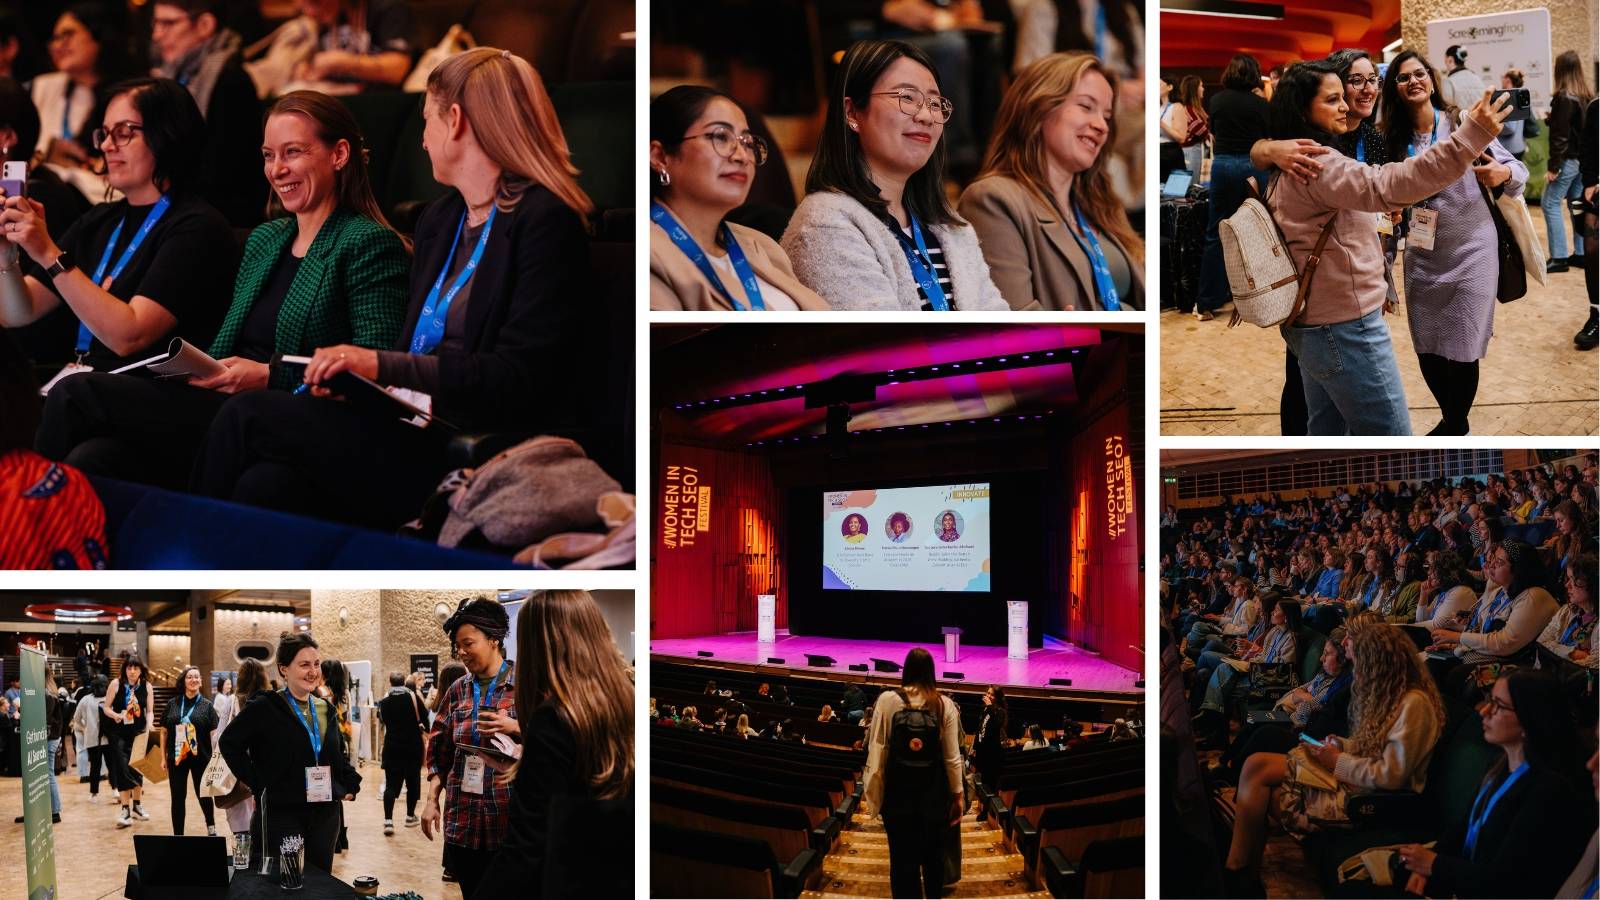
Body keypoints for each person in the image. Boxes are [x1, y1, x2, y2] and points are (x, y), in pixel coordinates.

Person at [191, 48, 594, 532]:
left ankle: (180, 552)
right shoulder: (441, 218)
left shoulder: (545, 221)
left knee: (248, 415)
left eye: (426, 121)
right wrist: (361, 385)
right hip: (401, 422)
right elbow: (412, 346)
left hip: (467, 441)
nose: (422, 141)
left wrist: (377, 364)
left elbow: (519, 377)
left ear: (457, 121)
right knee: (267, 483)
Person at [35, 88, 408, 490]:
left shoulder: (367, 243)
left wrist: (269, 375)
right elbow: (226, 342)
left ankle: (19, 521)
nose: (277, 169)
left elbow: (374, 365)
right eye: (269, 155)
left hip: (286, 408)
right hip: (221, 397)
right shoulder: (266, 239)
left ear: (339, 155)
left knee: (76, 393)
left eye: (293, 152)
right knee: (97, 456)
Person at [1263, 60, 1514, 435]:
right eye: (1334, 99)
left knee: (1327, 430)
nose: (1348, 103)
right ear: (1303, 109)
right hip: (1345, 323)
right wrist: (1470, 136)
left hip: (1314, 319)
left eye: (1370, 81)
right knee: (1391, 434)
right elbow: (1389, 184)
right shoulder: (1317, 161)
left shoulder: (1295, 160)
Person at [0, 76, 238, 388]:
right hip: (87, 386)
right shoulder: (100, 219)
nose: (107, 145)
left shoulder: (196, 226)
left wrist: (47, 252)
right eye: (106, 133)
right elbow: (20, 311)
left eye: (124, 132)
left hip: (152, 396)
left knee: (70, 393)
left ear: (167, 133)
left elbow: (128, 336)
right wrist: (6, 252)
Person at [1221, 620, 1445, 894]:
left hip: (1372, 798)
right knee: (1257, 765)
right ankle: (1243, 875)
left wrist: (1337, 760)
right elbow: (1372, 748)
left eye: (1358, 663)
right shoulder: (1393, 695)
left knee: (1261, 775)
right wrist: (1342, 744)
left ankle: (1239, 874)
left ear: (1376, 662)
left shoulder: (1414, 704)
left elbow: (1391, 775)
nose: (1356, 672)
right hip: (1354, 779)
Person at [781, 40, 1006, 311]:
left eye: (935, 103)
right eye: (906, 98)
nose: (926, 116)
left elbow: (997, 321)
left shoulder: (951, 226)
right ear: (851, 112)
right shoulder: (824, 223)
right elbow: (878, 342)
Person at [1379, 50, 1526, 436]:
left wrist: (1502, 173)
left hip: (1473, 247)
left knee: (1463, 344)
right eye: (1403, 77)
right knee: (1426, 345)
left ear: (1432, 78)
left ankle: (1453, 426)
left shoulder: (1462, 122)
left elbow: (1518, 171)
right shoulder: (1390, 142)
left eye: (1419, 73)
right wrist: (1384, 268)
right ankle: (1454, 421)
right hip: (1423, 254)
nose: (1413, 81)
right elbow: (1382, 211)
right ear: (1393, 89)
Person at [472, 590, 635, 897]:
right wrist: (527, 764)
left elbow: (526, 848)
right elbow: (585, 787)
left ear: (538, 647)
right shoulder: (625, 700)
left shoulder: (555, 717)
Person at [959, 52, 1143, 311]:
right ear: (1039, 107)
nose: (1101, 125)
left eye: (1107, 115)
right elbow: (1016, 323)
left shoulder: (1103, 203)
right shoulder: (992, 200)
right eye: (1086, 106)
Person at [1394, 671, 1593, 898]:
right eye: (1489, 700)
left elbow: (1504, 880)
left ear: (1529, 718)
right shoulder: (1500, 764)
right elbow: (1461, 830)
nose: (1484, 712)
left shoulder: (1548, 790)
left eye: (1498, 705)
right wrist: (1425, 868)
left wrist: (1434, 864)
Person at [649, 86, 826, 310]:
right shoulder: (649, 254)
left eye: (747, 143)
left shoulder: (762, 245)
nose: (742, 156)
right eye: (721, 137)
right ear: (660, 156)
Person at [217, 632, 360, 874]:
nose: (313, 671)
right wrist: (258, 781)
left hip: (324, 815)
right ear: (284, 669)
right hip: (282, 814)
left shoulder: (325, 708)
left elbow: (335, 755)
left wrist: (348, 783)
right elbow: (229, 743)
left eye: (316, 664)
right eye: (304, 665)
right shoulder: (265, 706)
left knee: (319, 883)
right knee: (284, 885)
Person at [420, 597, 518, 899]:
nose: (461, 652)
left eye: (468, 644)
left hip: (510, 822)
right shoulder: (458, 689)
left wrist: (516, 728)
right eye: (457, 646)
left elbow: (554, 742)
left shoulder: (527, 685)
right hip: (464, 820)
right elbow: (439, 752)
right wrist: (432, 799)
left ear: (494, 639)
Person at [150, 0, 267, 227]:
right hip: (181, 204)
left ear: (205, 25)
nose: (156, 35)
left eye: (168, 23)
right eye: (155, 23)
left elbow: (225, 175)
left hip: (221, 218)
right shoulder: (171, 75)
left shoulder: (230, 80)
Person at [861, 647, 963, 898]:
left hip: (897, 799)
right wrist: (958, 795)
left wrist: (873, 793)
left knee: (901, 864)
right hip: (934, 800)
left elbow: (877, 748)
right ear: (932, 672)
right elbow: (952, 758)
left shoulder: (886, 700)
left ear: (905, 670)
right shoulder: (945, 704)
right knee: (933, 862)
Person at [1185, 54, 1270, 322]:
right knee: (1257, 231)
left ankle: (1206, 302)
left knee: (1216, 233)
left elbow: (1215, 132)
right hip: (1252, 165)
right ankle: (1258, 297)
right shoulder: (1260, 104)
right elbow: (1267, 135)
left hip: (1222, 165)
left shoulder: (1217, 100)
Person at [30, 4, 139, 202]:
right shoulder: (44, 87)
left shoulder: (131, 93)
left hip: (107, 201)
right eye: (54, 39)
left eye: (68, 34)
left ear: (98, 36)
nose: (57, 45)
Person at [1543, 50, 1593, 274]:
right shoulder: (1585, 95)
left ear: (1559, 70)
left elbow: (1560, 138)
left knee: (1550, 203)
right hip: (1581, 161)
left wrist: (1553, 167)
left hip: (1567, 161)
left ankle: (1560, 257)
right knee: (1576, 204)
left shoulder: (1564, 97)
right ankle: (1581, 254)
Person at [294, 0, 413, 92]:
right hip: (340, 96)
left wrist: (344, 62)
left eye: (315, 1)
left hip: (383, 101)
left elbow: (397, 70)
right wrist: (310, 69)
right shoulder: (327, 15)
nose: (310, 12)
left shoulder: (389, 6)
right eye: (303, 5)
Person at [215, 658, 266, 859]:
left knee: (241, 828)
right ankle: (261, 866)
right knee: (263, 828)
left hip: (237, 774)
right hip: (264, 772)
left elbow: (219, 739)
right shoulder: (270, 701)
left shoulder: (232, 701)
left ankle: (243, 863)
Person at [160, 664, 219, 835]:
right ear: (184, 681)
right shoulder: (173, 704)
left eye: (197, 677)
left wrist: (216, 759)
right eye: (189, 677)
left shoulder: (207, 706)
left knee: (204, 795)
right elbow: (164, 732)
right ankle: (178, 834)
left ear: (201, 681)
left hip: (202, 758)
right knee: (178, 798)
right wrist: (163, 757)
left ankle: (211, 827)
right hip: (177, 759)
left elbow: (214, 735)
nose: (193, 679)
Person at [101, 654, 153, 828]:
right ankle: (125, 809)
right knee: (123, 770)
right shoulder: (116, 684)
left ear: (141, 670)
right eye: (129, 668)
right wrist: (115, 715)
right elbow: (105, 707)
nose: (132, 671)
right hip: (119, 734)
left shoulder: (147, 686)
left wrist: (150, 725)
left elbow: (150, 711)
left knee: (137, 769)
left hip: (138, 733)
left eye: (135, 668)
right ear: (124, 669)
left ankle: (137, 806)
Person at [377, 671, 426, 835]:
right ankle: (410, 816)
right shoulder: (413, 698)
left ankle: (388, 821)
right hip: (412, 746)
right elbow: (425, 719)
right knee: (412, 782)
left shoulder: (384, 703)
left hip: (392, 747)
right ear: (404, 682)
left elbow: (383, 721)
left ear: (390, 683)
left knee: (390, 785)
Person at [1538, 552, 1597, 669]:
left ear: (1594, 584)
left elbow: (1593, 667)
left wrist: (1555, 649)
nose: (1567, 585)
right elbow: (1541, 643)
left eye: (1574, 580)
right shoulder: (1567, 610)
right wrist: (1571, 653)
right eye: (1568, 578)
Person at [1162, 75, 1208, 179]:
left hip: (1193, 148)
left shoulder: (1193, 108)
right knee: (1189, 184)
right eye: (1201, 86)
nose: (1203, 88)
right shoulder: (1186, 108)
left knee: (1192, 181)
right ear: (1194, 89)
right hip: (1189, 149)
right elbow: (1202, 130)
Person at [72, 674, 106, 804]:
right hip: (96, 738)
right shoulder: (87, 699)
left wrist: (84, 727)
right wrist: (84, 728)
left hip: (101, 738)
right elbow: (76, 718)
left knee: (97, 765)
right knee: (100, 765)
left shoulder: (87, 699)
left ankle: (96, 793)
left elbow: (76, 718)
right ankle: (95, 792)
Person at [971, 685, 1007, 794]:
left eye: (992, 694)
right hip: (982, 752)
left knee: (989, 784)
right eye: (988, 693)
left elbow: (996, 724)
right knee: (980, 781)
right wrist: (974, 747)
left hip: (992, 755)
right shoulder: (986, 709)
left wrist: (990, 706)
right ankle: (981, 806)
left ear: (997, 697)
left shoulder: (1000, 711)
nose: (989, 696)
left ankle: (987, 809)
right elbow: (980, 729)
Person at [1438, 45, 1486, 111]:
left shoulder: (1448, 81)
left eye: (1445, 60)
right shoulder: (1477, 78)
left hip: (1462, 120)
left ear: (1450, 59)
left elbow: (1448, 108)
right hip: (1481, 119)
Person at [1498, 69, 1528, 161]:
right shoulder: (1520, 94)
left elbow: (1510, 127)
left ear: (1508, 80)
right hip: (1519, 146)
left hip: (1508, 149)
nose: (1501, 81)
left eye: (1503, 78)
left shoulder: (1508, 97)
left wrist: (1493, 128)